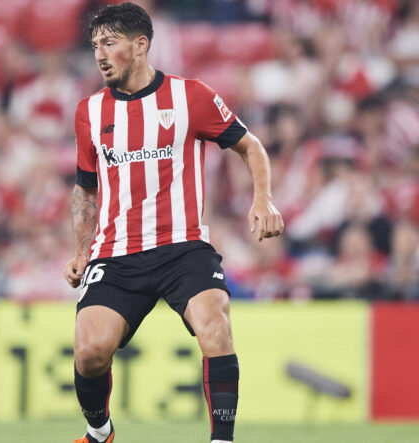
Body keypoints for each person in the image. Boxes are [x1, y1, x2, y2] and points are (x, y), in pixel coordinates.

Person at [63, 4, 284, 443]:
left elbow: (251, 146)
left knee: (215, 325)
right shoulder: (89, 111)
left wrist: (263, 199)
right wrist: (80, 252)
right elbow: (86, 189)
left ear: (140, 45)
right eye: (95, 46)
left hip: (183, 246)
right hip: (117, 252)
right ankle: (99, 431)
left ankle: (222, 440)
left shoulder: (190, 97)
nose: (100, 55)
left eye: (109, 43)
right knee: (89, 352)